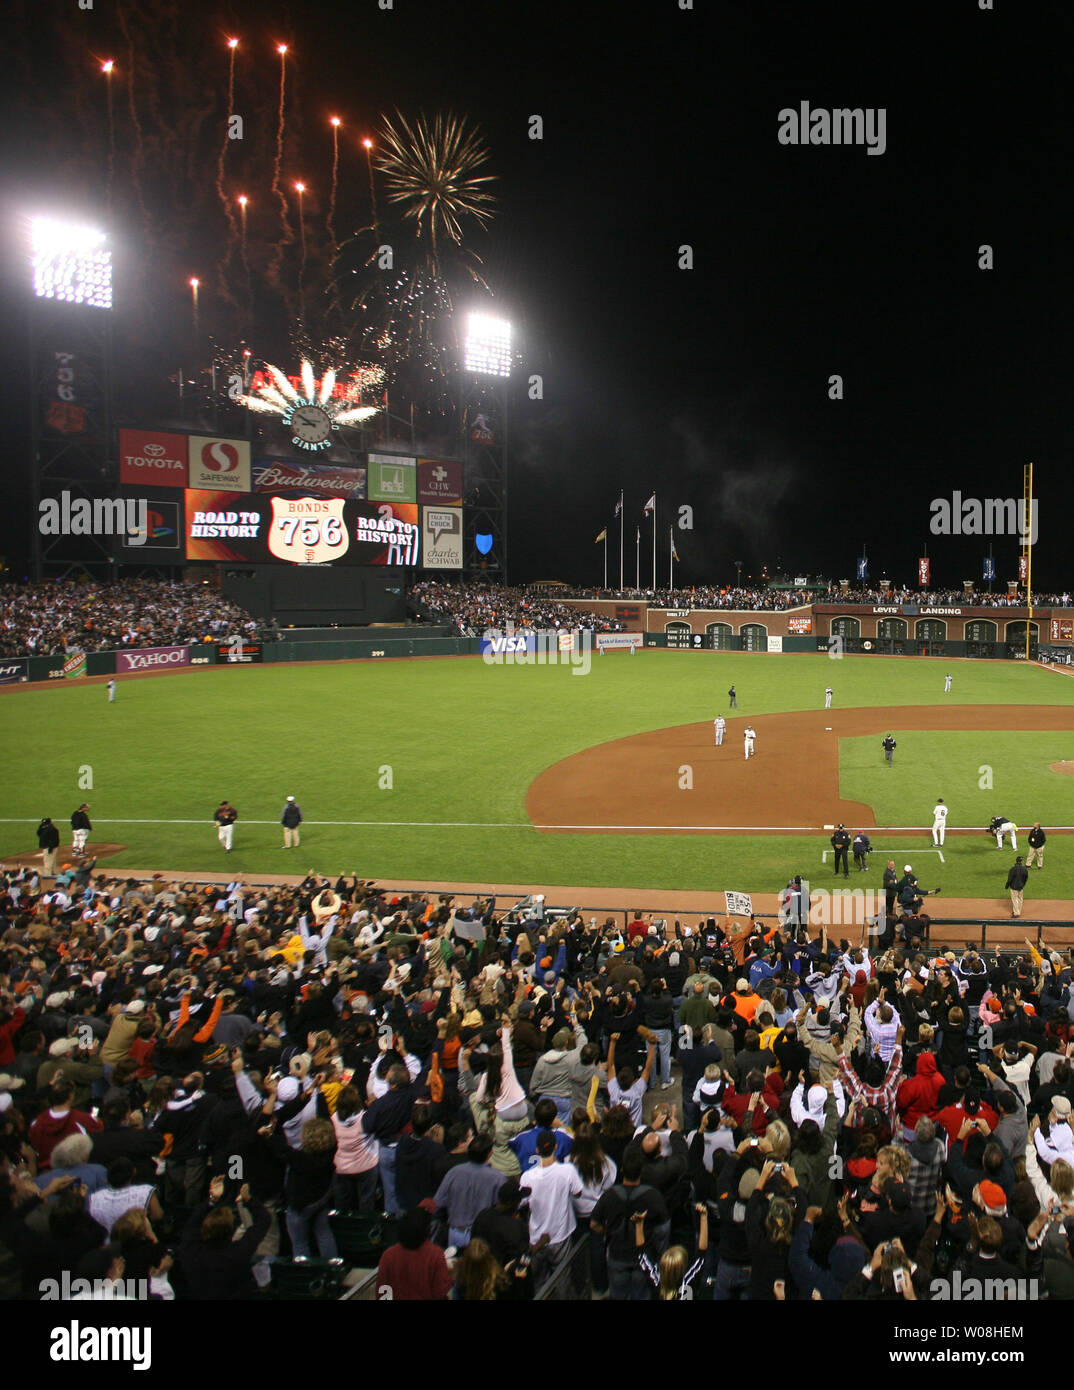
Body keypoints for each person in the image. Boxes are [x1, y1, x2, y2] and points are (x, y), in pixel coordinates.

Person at [519, 1130, 584, 1287]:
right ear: (555, 1147)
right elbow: (578, 1192)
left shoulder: (527, 1177)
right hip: (560, 1235)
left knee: (540, 1283)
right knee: (562, 1279)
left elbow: (522, 1203)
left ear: (537, 1151)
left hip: (536, 1237)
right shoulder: (567, 1171)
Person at [1006, 855, 1029, 920]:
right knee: (1020, 899)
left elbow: (1010, 879)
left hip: (1014, 886)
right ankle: (1018, 911)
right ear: (1021, 861)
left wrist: (1007, 885)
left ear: (1016, 861)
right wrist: (1023, 885)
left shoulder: (1013, 869)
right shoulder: (1025, 869)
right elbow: (1026, 878)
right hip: (1021, 886)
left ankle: (1016, 913)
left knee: (1015, 899)